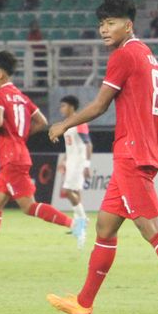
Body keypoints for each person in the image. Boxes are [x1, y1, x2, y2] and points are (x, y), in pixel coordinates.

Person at [46, 0, 158, 314]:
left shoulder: (123, 56)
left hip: (132, 154)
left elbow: (99, 105)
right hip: (137, 152)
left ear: (128, 24)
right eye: (101, 25)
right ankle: (83, 302)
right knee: (105, 227)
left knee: (152, 229)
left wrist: (64, 124)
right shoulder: (149, 57)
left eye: (111, 23)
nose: (104, 30)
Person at [0, 52, 86, 266]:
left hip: (11, 158)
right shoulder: (20, 95)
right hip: (18, 154)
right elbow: (42, 121)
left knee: (28, 207)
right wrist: (21, 135)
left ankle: (75, 223)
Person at [57, 95, 92, 235]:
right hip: (71, 161)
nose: (61, 109)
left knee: (66, 191)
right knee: (76, 191)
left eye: (63, 106)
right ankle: (79, 222)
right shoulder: (67, 123)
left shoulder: (79, 122)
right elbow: (70, 145)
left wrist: (86, 165)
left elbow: (88, 144)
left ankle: (83, 219)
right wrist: (64, 160)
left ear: (71, 107)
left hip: (78, 162)